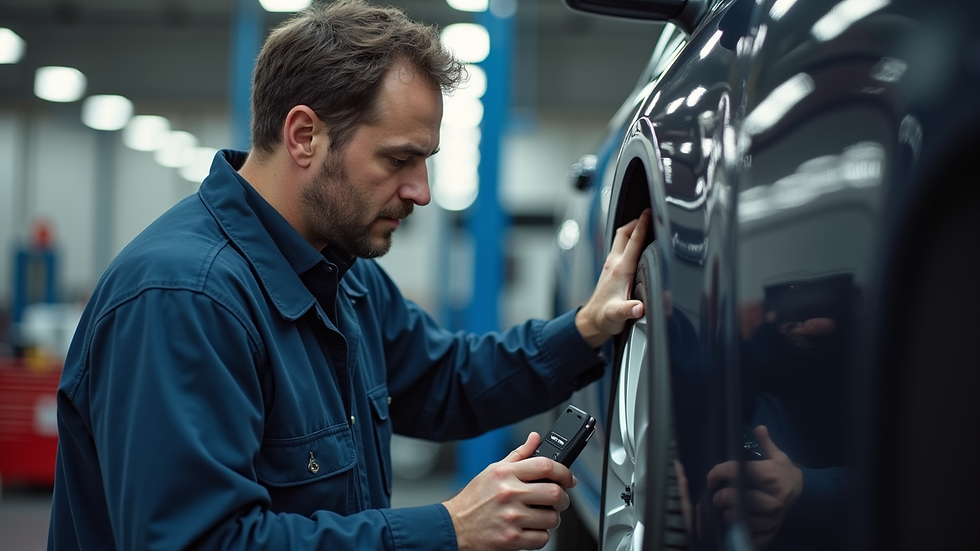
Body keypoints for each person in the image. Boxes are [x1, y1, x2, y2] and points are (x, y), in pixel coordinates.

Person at [47, 1, 650, 550]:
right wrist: (449, 528)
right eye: (397, 159)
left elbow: (447, 382)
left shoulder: (342, 277)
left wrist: (586, 329)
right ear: (305, 136)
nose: (421, 191)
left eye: (425, 161)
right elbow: (199, 542)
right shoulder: (185, 299)